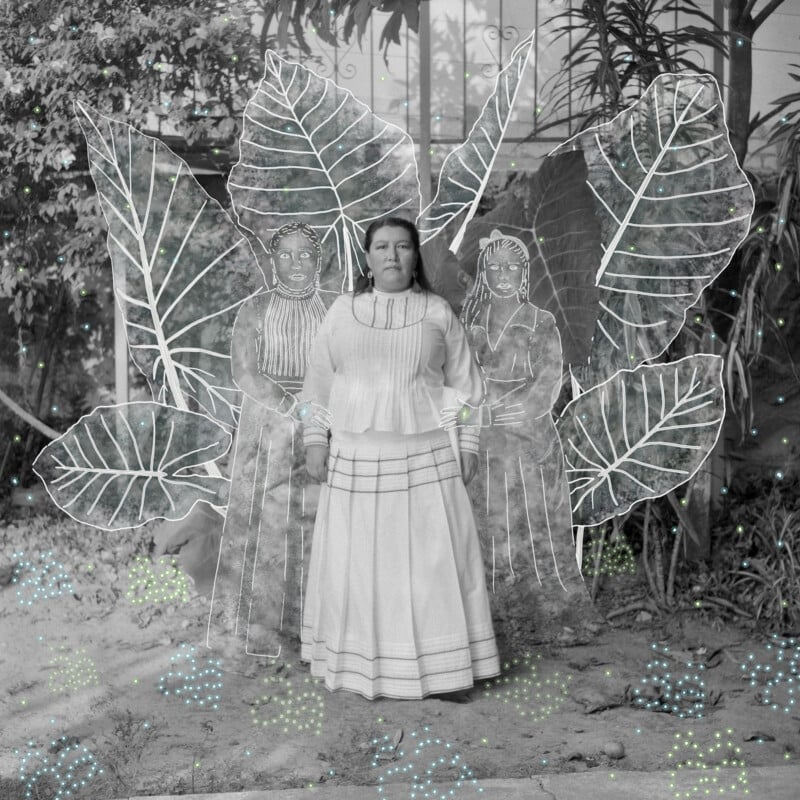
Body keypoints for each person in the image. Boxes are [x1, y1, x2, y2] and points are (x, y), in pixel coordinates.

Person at [298, 217, 500, 699]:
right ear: (367, 258)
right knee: (359, 563)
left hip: (425, 455)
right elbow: (318, 382)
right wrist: (314, 438)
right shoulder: (342, 312)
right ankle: (357, 667)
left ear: (415, 257)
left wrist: (468, 445)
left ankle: (444, 671)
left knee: (430, 565)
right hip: (354, 455)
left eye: (403, 247)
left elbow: (467, 385)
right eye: (382, 247)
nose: (392, 256)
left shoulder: (437, 312)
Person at [207, 222, 333, 658]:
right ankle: (261, 630)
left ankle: (322, 630)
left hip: (325, 420)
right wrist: (288, 404)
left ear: (318, 261)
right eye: (286, 255)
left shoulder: (337, 308)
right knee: (268, 525)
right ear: (271, 261)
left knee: (325, 519)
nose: (295, 264)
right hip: (268, 426)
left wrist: (318, 407)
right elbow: (244, 370)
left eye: (305, 255)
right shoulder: (254, 310)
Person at [459, 229, 588, 645]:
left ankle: (543, 611)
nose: (502, 274)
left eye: (511, 266)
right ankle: (490, 614)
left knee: (532, 526)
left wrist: (501, 412)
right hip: (482, 438)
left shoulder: (541, 321)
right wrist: (476, 414)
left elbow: (547, 383)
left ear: (524, 272)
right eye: (493, 266)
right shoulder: (471, 323)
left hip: (527, 439)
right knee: (486, 525)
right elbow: (460, 379)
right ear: (482, 272)